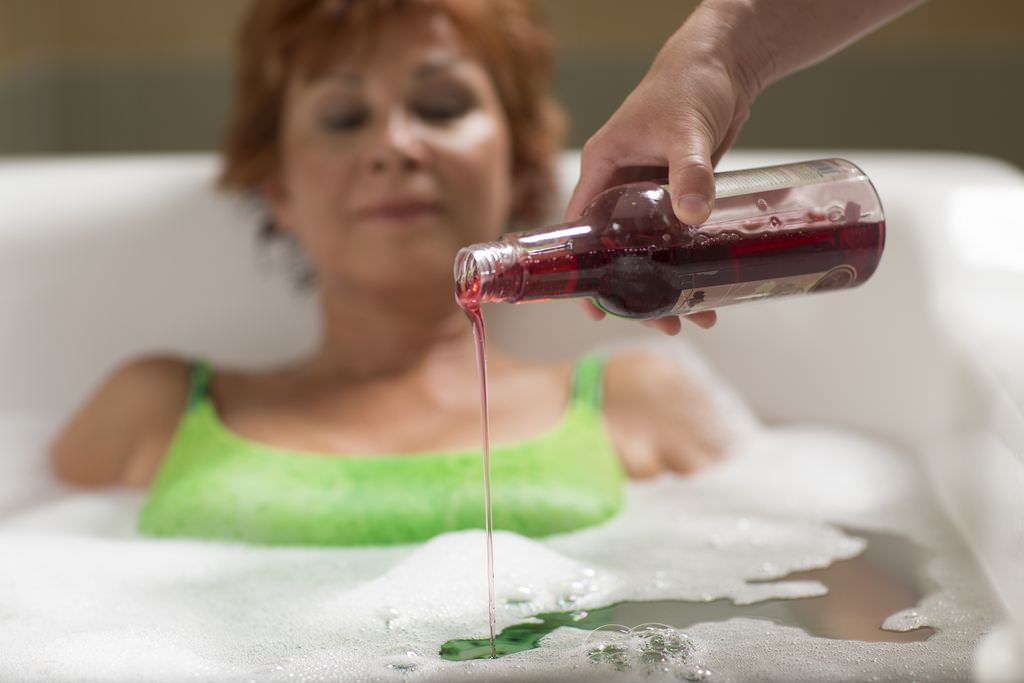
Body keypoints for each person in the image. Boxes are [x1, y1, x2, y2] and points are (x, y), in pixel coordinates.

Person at [48, 0, 732, 546]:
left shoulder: (637, 401)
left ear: (519, 166)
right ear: (277, 187)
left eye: (442, 107)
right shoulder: (154, 412)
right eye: (344, 117)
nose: (395, 146)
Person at [569, 0, 925, 336]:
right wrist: (725, 57)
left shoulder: (612, 217)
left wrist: (718, 56)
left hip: (843, 210)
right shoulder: (617, 287)